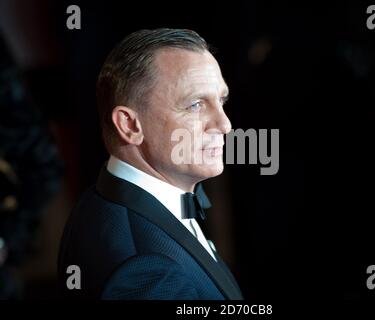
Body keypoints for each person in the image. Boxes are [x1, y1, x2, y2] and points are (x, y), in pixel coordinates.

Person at [57, 28, 243, 299]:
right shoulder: (145, 269)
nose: (224, 125)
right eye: (195, 105)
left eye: (221, 100)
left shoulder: (104, 199)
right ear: (130, 125)